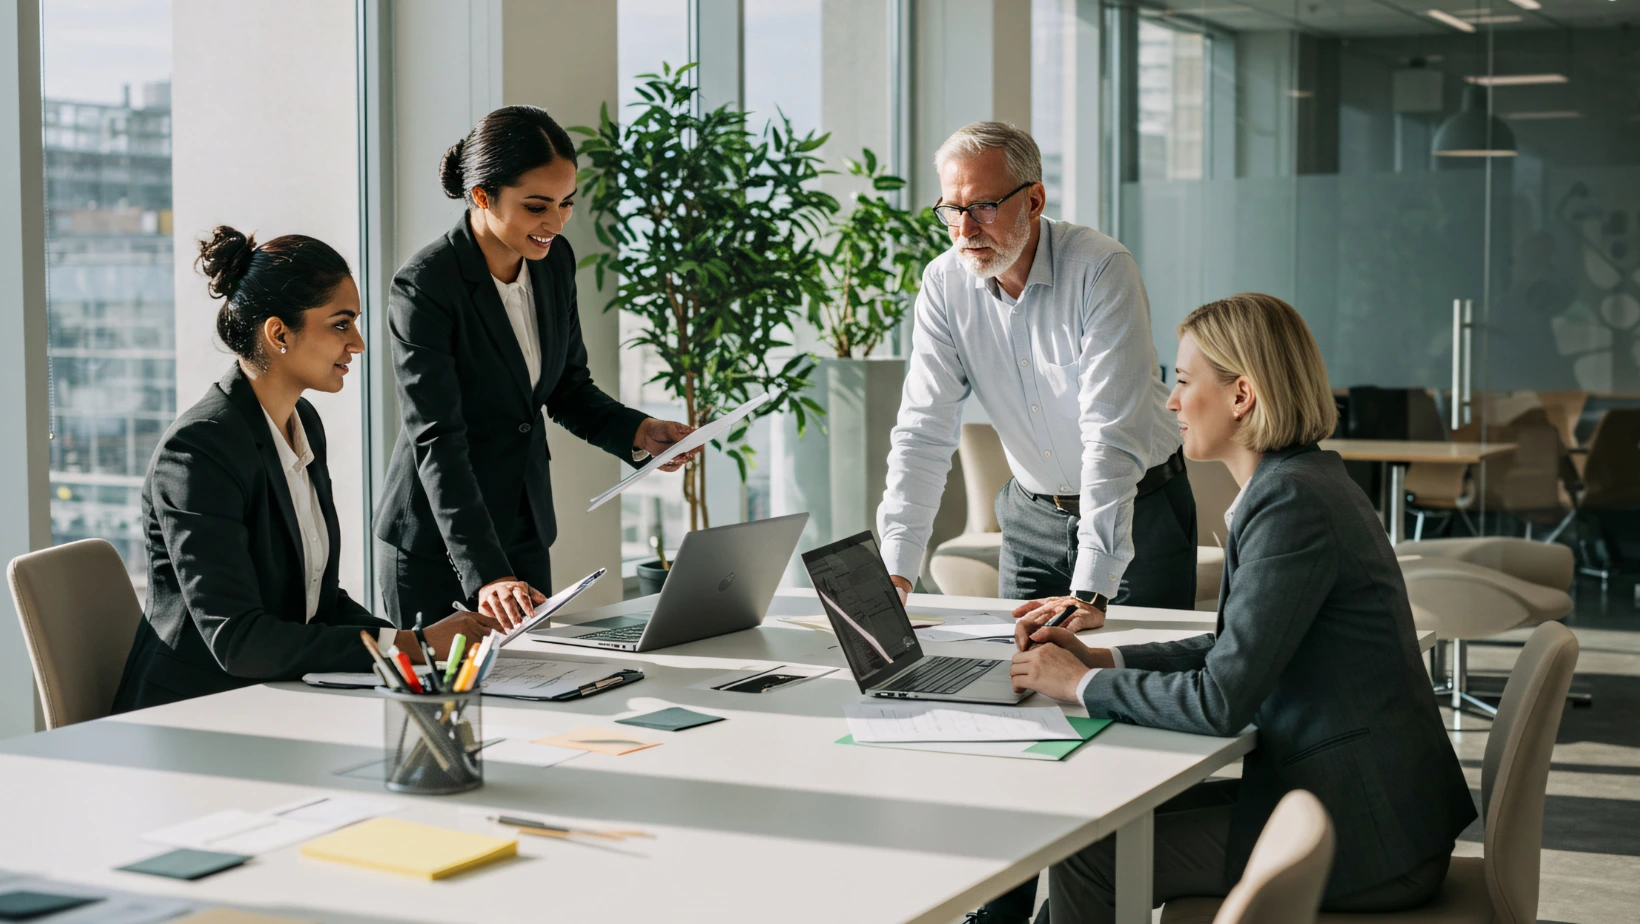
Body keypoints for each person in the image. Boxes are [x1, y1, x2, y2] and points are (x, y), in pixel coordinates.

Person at [1009, 293, 1477, 922]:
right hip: (1360, 802)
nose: (1171, 403)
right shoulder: (1301, 481)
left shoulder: (1291, 504)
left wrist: (1083, 685)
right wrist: (1101, 657)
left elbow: (1221, 700)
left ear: (1241, 395)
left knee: (1090, 855)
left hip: (1368, 837)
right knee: (1095, 826)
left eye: (1181, 381)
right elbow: (1234, 648)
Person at [877, 121, 1195, 923]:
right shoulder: (946, 283)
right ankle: (1000, 910)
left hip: (1137, 508)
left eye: (982, 208)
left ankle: (1114, 896)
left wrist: (1094, 585)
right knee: (1011, 711)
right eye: (950, 211)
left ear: (1035, 199)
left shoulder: (1100, 268)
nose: (964, 230)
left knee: (1126, 714)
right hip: (1028, 515)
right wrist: (897, 566)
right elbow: (923, 431)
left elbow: (1110, 438)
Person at [113, 227, 496, 713]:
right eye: (341, 324)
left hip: (279, 696)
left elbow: (317, 601)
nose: (357, 343)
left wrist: (418, 645)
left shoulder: (303, 424)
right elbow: (238, 640)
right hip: (197, 714)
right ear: (278, 334)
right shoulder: (198, 450)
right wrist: (412, 645)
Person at [374, 105, 697, 630]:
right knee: (446, 707)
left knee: (535, 697)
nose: (555, 222)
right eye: (536, 206)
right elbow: (438, 438)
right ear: (481, 196)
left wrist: (638, 432)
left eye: (566, 203)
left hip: (523, 531)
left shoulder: (554, 263)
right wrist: (486, 575)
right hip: (439, 546)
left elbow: (567, 387)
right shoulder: (426, 285)